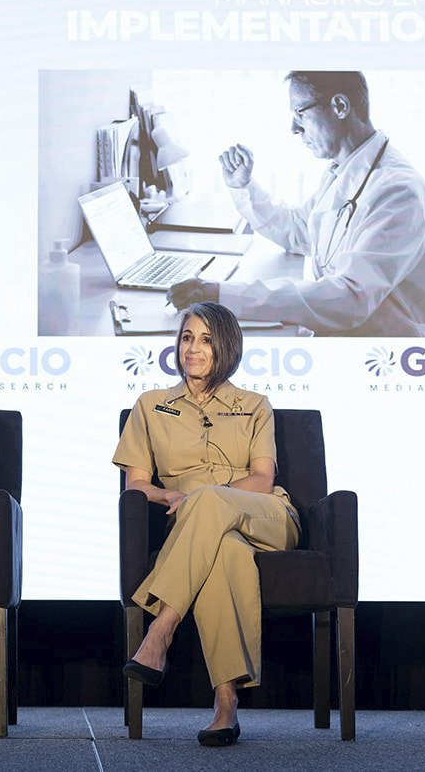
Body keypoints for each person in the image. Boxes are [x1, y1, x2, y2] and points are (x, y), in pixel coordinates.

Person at [114, 301, 301, 747]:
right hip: (204, 530)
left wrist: (202, 496)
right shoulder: (151, 406)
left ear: (226, 347)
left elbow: (262, 479)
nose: (192, 349)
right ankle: (225, 703)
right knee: (225, 552)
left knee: (211, 502)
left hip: (266, 516)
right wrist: (170, 496)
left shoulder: (254, 405)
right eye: (186, 338)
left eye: (205, 340)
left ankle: (160, 630)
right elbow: (136, 485)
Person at [168, 70, 425, 337]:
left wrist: (221, 295)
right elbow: (302, 231)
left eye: (300, 113)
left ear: (340, 106)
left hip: (400, 354)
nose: (294, 128)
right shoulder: (343, 170)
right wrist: (243, 187)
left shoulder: (398, 192)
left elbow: (349, 298)